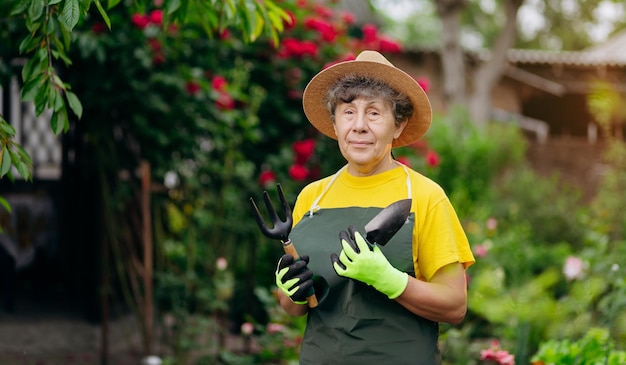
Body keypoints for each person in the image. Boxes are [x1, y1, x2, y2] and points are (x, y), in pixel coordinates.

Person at [273, 50, 475, 364]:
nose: (359, 126)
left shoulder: (425, 196)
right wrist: (289, 292)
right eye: (348, 112)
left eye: (374, 113)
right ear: (336, 124)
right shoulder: (312, 198)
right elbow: (297, 307)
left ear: (398, 125)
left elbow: (454, 305)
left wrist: (390, 280)